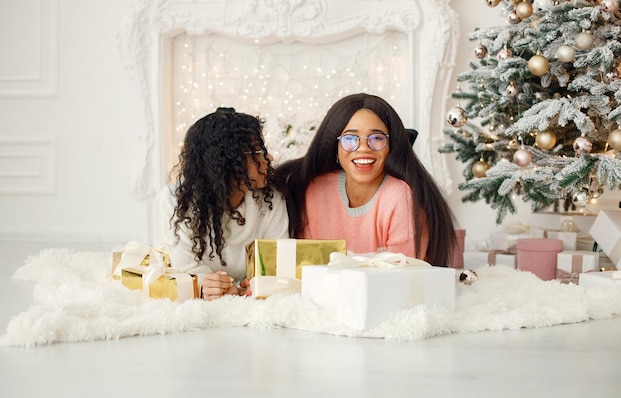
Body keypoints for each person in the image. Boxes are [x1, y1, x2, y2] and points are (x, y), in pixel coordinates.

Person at [277, 93, 457, 266]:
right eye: (349, 138)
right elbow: (308, 269)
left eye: (377, 138)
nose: (363, 148)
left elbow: (400, 278)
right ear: (335, 145)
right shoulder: (316, 190)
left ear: (391, 146)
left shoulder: (400, 197)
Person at [159, 107, 289, 300]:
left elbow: (277, 264)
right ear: (226, 161)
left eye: (263, 151)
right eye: (256, 152)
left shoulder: (271, 198)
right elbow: (183, 268)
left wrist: (243, 288)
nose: (268, 159)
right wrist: (206, 285)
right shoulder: (175, 199)